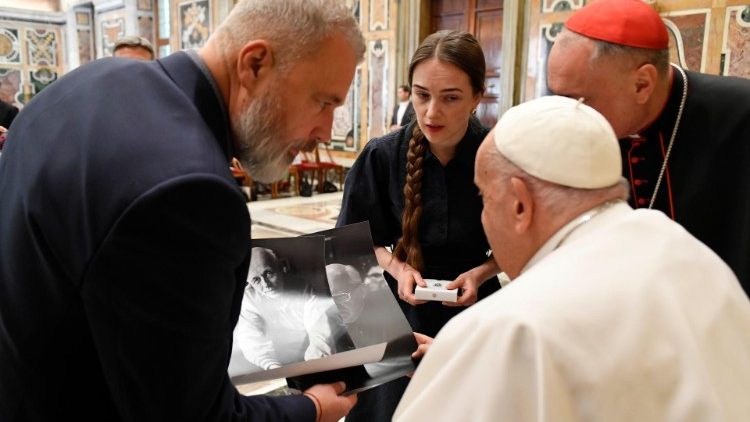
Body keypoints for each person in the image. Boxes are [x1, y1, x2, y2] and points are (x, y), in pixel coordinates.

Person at [0, 0, 364, 421]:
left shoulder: (89, 81)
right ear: (256, 64)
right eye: (323, 102)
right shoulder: (191, 191)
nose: (325, 131)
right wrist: (312, 407)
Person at [394, 95, 750, 421]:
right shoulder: (685, 251)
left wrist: (473, 353)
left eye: (484, 198)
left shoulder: (514, 327)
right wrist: (471, 358)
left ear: (520, 204)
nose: (484, 217)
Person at [337, 30, 501, 421]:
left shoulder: (500, 156)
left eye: (450, 98)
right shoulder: (381, 156)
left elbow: (532, 245)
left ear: (478, 96)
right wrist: (398, 268)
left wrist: (480, 273)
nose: (430, 113)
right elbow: (353, 242)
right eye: (421, 94)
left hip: (476, 311)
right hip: (396, 310)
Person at [546, 0, 750, 294]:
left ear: (642, 84)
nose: (567, 114)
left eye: (579, 100)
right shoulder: (579, 128)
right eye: (558, 97)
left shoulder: (740, 116)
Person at [236, 248, 347, 370]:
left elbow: (320, 331)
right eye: (256, 280)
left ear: (281, 266)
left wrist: (313, 367)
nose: (266, 284)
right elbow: (250, 339)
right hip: (279, 361)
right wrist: (273, 366)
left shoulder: (306, 286)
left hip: (316, 356)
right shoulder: (248, 299)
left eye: (268, 273)